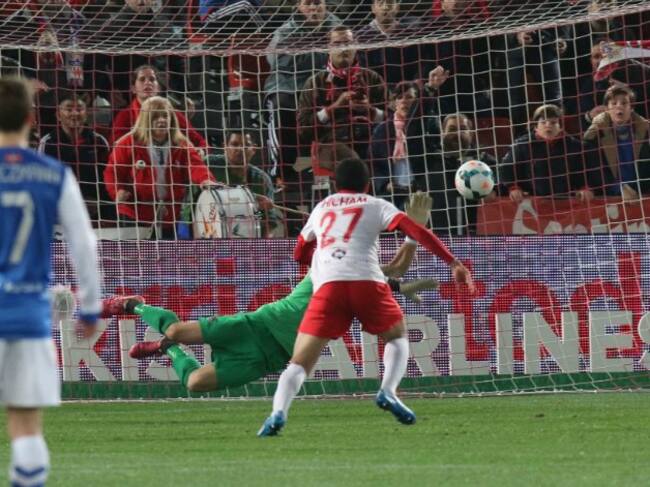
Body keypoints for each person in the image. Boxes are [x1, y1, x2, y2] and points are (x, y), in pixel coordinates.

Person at [103, 193, 437, 394]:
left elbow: (389, 273)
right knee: (177, 329)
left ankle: (167, 349)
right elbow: (392, 271)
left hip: (268, 357)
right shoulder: (325, 266)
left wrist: (403, 264)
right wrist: (411, 237)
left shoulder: (360, 282)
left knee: (195, 383)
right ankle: (133, 305)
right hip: (257, 325)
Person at [258, 158, 474, 436]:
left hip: (329, 287)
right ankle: (388, 391)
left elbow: (299, 253)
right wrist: (453, 262)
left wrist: (325, 253)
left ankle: (278, 413)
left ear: (335, 184)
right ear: (368, 185)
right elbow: (416, 231)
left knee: (299, 362)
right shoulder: (376, 204)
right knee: (397, 337)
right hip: (367, 284)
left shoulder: (321, 207)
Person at [0, 77, 101, 487]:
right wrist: (90, 307)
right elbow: (83, 245)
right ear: (31, 118)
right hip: (27, 314)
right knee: (25, 421)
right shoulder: (54, 174)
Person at [104, 96, 216, 238]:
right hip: (134, 214)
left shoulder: (182, 144)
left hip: (169, 215)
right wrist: (117, 191)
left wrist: (206, 179)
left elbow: (196, 166)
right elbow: (112, 172)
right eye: (156, 117)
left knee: (168, 252)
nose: (162, 120)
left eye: (165, 116)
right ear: (145, 119)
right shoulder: (127, 143)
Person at [297, 26, 387, 172]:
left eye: (348, 44)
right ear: (328, 48)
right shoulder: (315, 83)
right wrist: (333, 108)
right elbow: (303, 131)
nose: (343, 49)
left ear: (356, 46)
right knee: (349, 160)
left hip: (371, 140)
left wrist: (370, 110)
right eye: (337, 44)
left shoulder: (372, 78)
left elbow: (393, 118)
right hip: (331, 146)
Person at [38, 90, 116, 225]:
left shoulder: (99, 142)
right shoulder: (47, 143)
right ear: (58, 115)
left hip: (95, 210)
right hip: (60, 210)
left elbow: (108, 179)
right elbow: (43, 182)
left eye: (79, 109)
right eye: (69, 109)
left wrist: (99, 204)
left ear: (86, 114)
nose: (74, 113)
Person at [370, 79, 447, 209]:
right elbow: (374, 163)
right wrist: (383, 184)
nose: (404, 101)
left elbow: (437, 154)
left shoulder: (429, 124)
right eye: (399, 97)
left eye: (409, 97)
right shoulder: (382, 130)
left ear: (418, 102)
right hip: (392, 195)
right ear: (394, 103)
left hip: (422, 193)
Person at [501, 104, 592, 203]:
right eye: (543, 122)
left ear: (561, 127)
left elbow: (583, 172)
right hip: (530, 200)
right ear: (535, 127)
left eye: (553, 122)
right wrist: (513, 188)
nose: (548, 125)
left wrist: (584, 188)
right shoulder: (521, 145)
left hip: (565, 201)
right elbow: (507, 169)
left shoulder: (575, 146)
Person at [426, 113, 497, 235]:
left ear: (471, 133)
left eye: (463, 129)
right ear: (442, 133)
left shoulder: (486, 162)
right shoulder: (431, 161)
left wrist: (493, 191)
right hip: (439, 232)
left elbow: (500, 192)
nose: (457, 134)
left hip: (476, 233)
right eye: (452, 129)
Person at [110, 65, 207, 151]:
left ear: (159, 88)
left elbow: (201, 143)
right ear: (133, 89)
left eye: (152, 79)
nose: (148, 83)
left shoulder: (174, 114)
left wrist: (201, 151)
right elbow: (114, 147)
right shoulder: (124, 116)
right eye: (142, 79)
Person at [583, 84, 650, 200]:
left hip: (642, 195)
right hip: (609, 197)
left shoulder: (646, 132)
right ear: (607, 108)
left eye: (624, 103)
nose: (619, 106)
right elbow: (595, 171)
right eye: (614, 103)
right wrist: (619, 189)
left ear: (631, 108)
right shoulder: (594, 135)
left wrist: (637, 191)